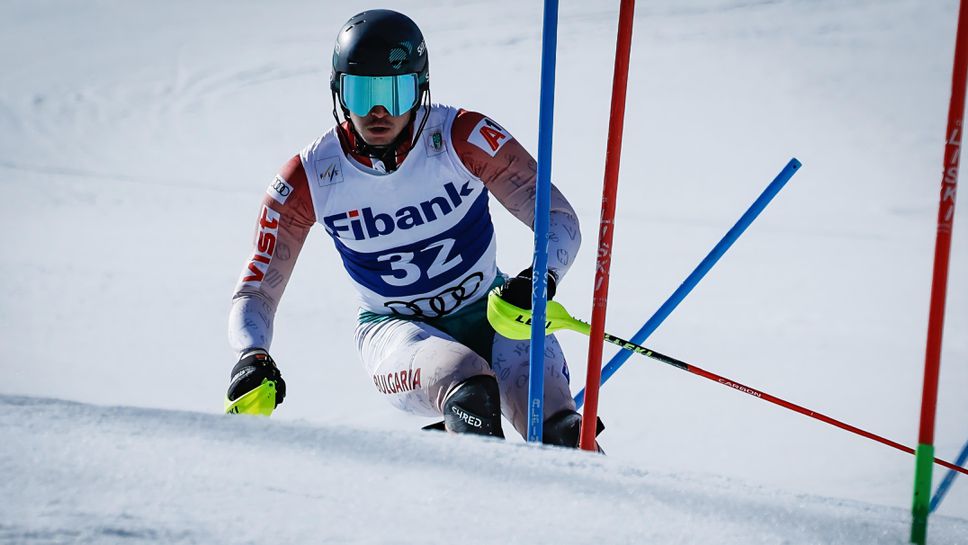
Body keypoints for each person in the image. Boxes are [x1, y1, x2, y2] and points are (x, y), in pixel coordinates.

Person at [225, 9, 597, 447]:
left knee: (567, 434)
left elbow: (557, 216)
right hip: (395, 330)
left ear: (419, 90)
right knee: (470, 390)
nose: (378, 111)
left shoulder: (461, 136)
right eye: (361, 92)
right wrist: (251, 354)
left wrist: (541, 278)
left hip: (495, 312)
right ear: (338, 92)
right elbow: (257, 289)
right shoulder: (309, 177)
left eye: (395, 92)